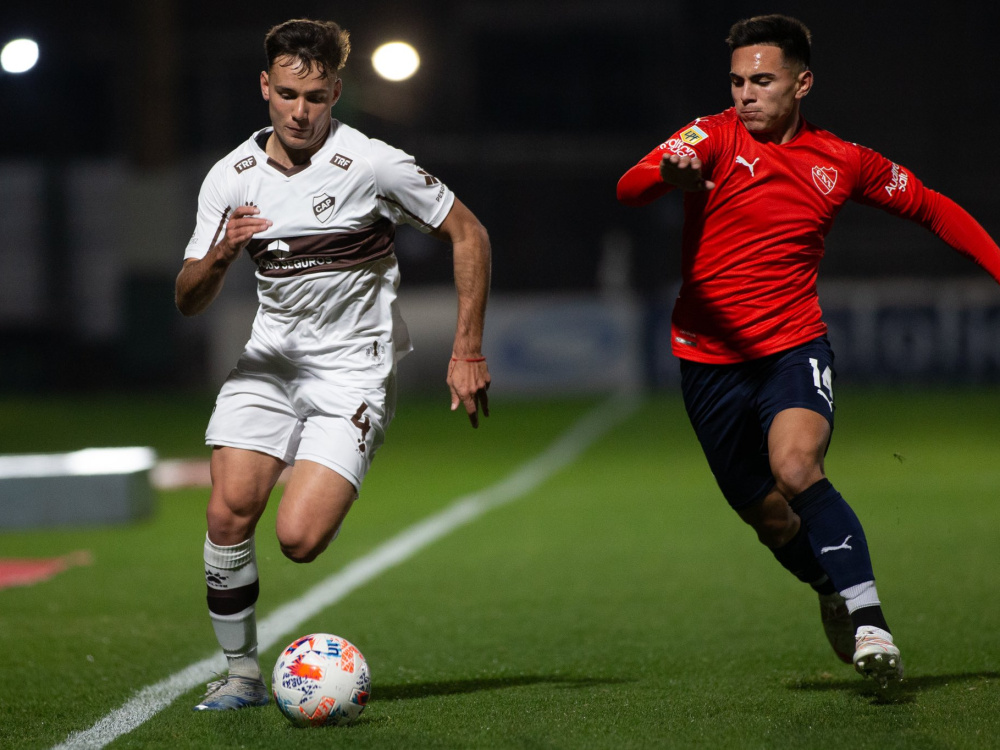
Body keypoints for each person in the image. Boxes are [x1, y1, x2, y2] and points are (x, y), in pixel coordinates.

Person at [617, 14, 1000, 687]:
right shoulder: (709, 136)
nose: (745, 93)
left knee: (797, 466)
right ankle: (829, 582)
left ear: (803, 83)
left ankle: (870, 620)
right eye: (736, 81)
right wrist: (668, 177)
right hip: (708, 359)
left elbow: (935, 208)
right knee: (767, 517)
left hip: (792, 346)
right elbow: (632, 182)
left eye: (761, 80)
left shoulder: (843, 161)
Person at [175, 18, 491, 710]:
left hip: (352, 370)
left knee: (299, 539)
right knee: (228, 513)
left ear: (336, 93)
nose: (300, 110)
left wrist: (466, 348)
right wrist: (221, 256)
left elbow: (469, 231)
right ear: (265, 87)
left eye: (316, 97)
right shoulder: (230, 177)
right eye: (288, 93)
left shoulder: (373, 164)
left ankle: (335, 456)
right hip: (270, 362)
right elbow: (187, 299)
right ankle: (241, 677)